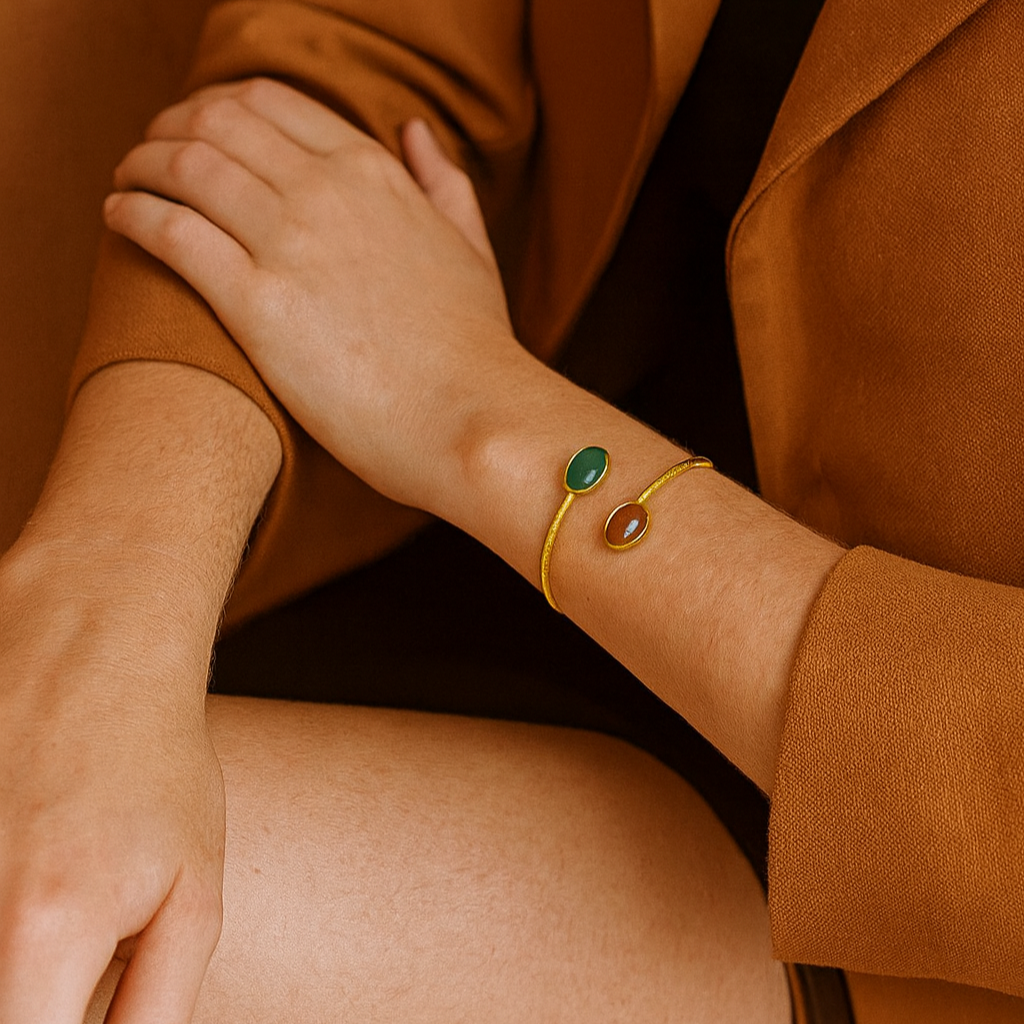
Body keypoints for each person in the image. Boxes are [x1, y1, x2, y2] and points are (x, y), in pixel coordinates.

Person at [1, 0, 1022, 1021]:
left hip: (887, 871)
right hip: (365, 463)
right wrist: (109, 586)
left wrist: (478, 415)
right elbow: (371, 51)